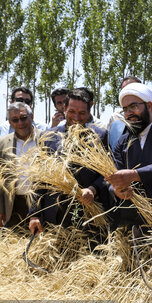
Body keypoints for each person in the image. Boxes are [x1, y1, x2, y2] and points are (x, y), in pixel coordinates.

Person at [29, 89, 110, 234]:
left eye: (82, 113)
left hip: (88, 215)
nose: (76, 117)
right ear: (64, 109)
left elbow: (107, 173)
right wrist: (34, 214)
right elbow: (39, 178)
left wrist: (93, 189)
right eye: (72, 111)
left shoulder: (99, 136)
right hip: (53, 214)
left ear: (89, 113)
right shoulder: (48, 137)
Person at [105, 83, 152, 226]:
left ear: (148, 105)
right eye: (125, 109)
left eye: (133, 106)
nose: (129, 113)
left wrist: (133, 175)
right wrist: (116, 190)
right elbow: (113, 175)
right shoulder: (122, 142)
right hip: (129, 220)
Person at [0, 102, 40, 229]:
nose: (20, 123)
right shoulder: (1, 143)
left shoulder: (47, 139)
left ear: (32, 117)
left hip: (41, 204)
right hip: (13, 205)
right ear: (10, 123)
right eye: (15, 120)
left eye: (24, 118)